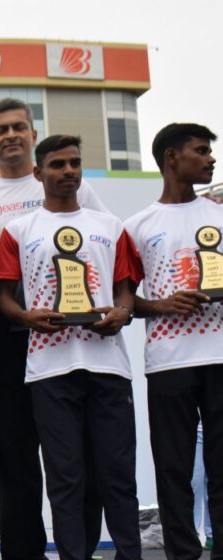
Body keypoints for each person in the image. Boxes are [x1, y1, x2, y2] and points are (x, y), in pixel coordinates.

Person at [0, 98, 106, 560]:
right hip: (8, 343)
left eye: (19, 127)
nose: (10, 136)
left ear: (33, 134)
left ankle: (79, 550)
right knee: (17, 458)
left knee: (80, 457)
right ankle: (24, 553)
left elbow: (102, 242)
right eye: (0, 130)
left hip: (72, 339)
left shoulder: (74, 187)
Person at [0, 135, 140, 560]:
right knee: (65, 477)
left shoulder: (110, 226)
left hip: (109, 366)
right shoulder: (18, 231)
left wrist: (122, 314)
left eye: (75, 163)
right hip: (49, 370)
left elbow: (125, 289)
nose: (69, 172)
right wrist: (26, 317)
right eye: (57, 165)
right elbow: (4, 297)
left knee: (116, 475)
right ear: (39, 174)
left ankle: (129, 554)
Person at [123, 122, 221, 560]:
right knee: (173, 468)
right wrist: (163, 305)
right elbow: (124, 300)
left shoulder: (220, 214)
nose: (211, 159)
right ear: (171, 158)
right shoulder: (138, 225)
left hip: (220, 356)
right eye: (201, 151)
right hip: (168, 361)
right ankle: (184, 553)